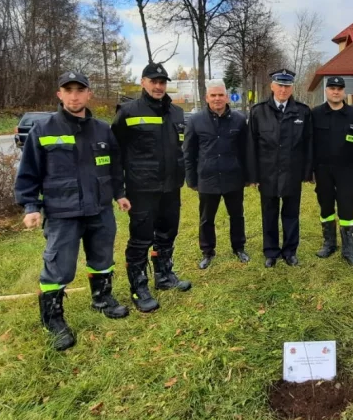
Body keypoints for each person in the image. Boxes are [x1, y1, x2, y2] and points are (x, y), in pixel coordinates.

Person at [15, 71, 131, 352]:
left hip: (99, 209)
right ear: (60, 94)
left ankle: (102, 299)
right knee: (58, 268)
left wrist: (120, 194)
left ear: (89, 94)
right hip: (62, 212)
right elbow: (28, 173)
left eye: (80, 90)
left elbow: (114, 167)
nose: (75, 95)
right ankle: (53, 320)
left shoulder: (103, 129)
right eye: (69, 90)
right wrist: (31, 206)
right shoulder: (43, 130)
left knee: (102, 258)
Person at [111, 63, 192, 313]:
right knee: (141, 240)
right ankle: (139, 287)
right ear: (143, 82)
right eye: (153, 81)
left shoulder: (177, 113)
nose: (158, 86)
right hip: (141, 189)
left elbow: (179, 149)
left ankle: (164, 275)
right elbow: (115, 153)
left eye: (162, 82)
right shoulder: (128, 111)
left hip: (171, 187)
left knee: (167, 233)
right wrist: (119, 190)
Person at [247, 69, 314, 268]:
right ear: (272, 86)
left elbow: (308, 143)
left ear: (292, 88)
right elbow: (251, 145)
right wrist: (253, 175)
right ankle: (271, 252)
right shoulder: (258, 111)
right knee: (269, 213)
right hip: (267, 173)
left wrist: (307, 172)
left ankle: (290, 251)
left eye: (287, 86)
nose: (283, 90)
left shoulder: (302, 111)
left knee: (291, 214)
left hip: (292, 173)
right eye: (280, 85)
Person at [183, 79, 251, 269]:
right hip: (207, 178)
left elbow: (246, 150)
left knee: (237, 215)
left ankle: (239, 247)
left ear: (227, 97)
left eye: (221, 95)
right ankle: (207, 251)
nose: (217, 99)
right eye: (213, 95)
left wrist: (248, 176)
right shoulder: (196, 121)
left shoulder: (239, 119)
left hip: (233, 177)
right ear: (206, 98)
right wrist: (191, 179)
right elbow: (188, 152)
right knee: (206, 218)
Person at [311, 76, 353, 267]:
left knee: (347, 208)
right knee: (326, 207)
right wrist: (310, 170)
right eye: (332, 88)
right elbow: (309, 144)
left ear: (344, 91)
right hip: (323, 170)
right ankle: (329, 243)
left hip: (347, 170)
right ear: (326, 91)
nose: (335, 92)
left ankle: (349, 249)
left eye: (339, 88)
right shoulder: (316, 114)